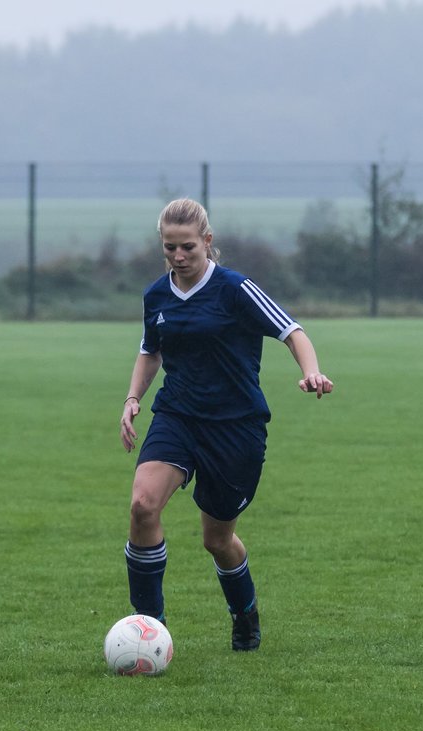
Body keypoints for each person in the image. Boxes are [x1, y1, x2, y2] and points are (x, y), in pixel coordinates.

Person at [118, 198, 334, 651]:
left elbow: (292, 330)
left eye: (188, 248)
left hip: (235, 428)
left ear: (208, 243)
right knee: (142, 505)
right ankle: (149, 630)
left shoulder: (236, 290)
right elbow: (150, 349)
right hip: (177, 415)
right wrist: (133, 397)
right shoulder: (157, 294)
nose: (178, 257)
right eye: (169, 248)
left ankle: (244, 613)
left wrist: (310, 370)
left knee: (217, 540)